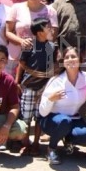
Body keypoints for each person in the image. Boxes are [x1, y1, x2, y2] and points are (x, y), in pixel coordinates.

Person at [38, 46, 86, 165]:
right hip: (51, 119)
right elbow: (42, 112)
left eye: (73, 57)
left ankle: (67, 139)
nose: (70, 59)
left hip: (73, 118)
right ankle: (52, 149)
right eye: (67, 57)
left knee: (85, 135)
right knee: (64, 122)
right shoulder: (56, 81)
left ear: (80, 60)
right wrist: (51, 99)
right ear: (63, 62)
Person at [16, 18, 57, 154]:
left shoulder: (52, 47)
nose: (51, 29)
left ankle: (36, 144)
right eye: (48, 27)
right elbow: (21, 64)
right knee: (26, 117)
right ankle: (26, 143)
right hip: (28, 86)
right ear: (39, 32)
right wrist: (17, 82)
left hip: (44, 88)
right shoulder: (29, 46)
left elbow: (53, 66)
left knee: (39, 117)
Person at [5, 0, 58, 77]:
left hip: (37, 60)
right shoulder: (16, 8)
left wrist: (36, 44)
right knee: (12, 87)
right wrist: (21, 41)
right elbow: (7, 32)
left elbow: (53, 35)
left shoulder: (50, 11)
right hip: (15, 57)